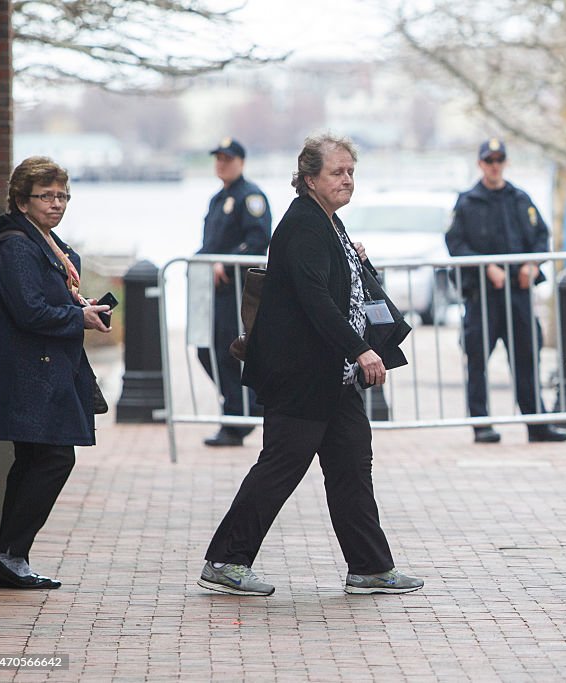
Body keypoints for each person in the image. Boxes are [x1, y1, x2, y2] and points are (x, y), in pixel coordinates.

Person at [197, 133, 423, 597]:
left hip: (332, 378)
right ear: (309, 179)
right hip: (301, 375)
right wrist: (360, 349)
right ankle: (225, 560)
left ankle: (370, 567)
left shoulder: (328, 223)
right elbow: (316, 302)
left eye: (351, 172)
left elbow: (342, 289)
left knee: (352, 467)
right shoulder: (302, 225)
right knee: (281, 466)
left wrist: (358, 261)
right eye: (337, 173)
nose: (347, 180)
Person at [0, 156, 112, 589]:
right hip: (30, 374)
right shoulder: (16, 245)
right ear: (22, 201)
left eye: (62, 196)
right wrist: (81, 318)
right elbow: (30, 311)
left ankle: (9, 554)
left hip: (45, 371)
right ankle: (9, 553)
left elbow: (46, 299)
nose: (56, 204)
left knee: (39, 459)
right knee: (54, 458)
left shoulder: (45, 242)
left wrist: (80, 307)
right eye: (46, 196)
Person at [446, 138, 566, 444]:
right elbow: (456, 244)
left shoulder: (519, 198)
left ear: (506, 163)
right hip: (482, 297)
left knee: (528, 359)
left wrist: (532, 264)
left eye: (499, 160)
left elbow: (541, 235)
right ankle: (482, 425)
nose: (495, 165)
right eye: (489, 160)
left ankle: (537, 424)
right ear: (480, 164)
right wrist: (486, 267)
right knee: (477, 362)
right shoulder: (467, 202)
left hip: (518, 294)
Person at [196, 137, 272, 447]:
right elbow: (210, 243)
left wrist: (224, 265)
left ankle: (238, 419)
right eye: (218, 159)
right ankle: (244, 406)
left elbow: (258, 239)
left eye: (227, 159)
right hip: (215, 291)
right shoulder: (218, 199)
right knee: (207, 350)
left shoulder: (251, 196)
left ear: (241, 161)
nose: (221, 164)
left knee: (228, 350)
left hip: (239, 289)